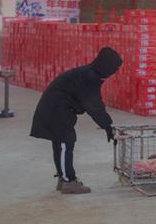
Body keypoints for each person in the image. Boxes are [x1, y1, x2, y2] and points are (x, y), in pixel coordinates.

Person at [30, 46, 123, 194]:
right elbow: (94, 106)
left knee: (62, 143)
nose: (114, 73)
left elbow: (95, 103)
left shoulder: (91, 73)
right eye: (114, 69)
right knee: (65, 142)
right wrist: (108, 126)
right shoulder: (89, 77)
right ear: (106, 67)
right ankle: (68, 181)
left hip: (59, 108)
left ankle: (64, 178)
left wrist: (107, 125)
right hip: (56, 109)